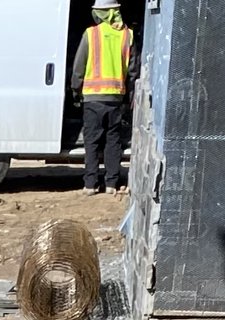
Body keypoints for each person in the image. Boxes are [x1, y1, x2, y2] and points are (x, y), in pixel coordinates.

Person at [70, 3, 133, 195]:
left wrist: (75, 88)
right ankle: (111, 184)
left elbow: (79, 66)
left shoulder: (91, 34)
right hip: (116, 97)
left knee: (92, 141)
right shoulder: (127, 35)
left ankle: (90, 184)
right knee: (113, 140)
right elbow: (132, 69)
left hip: (92, 97)